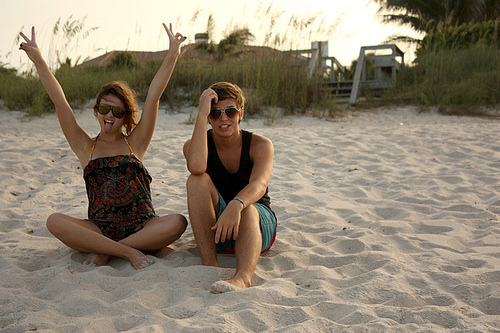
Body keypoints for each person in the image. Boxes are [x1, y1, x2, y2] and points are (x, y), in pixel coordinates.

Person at [19, 24, 188, 270]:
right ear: (96, 111)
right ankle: (126, 251)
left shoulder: (136, 142)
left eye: (117, 111)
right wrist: (39, 61)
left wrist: (173, 54)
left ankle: (107, 250)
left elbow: (153, 96)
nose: (109, 115)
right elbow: (60, 102)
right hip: (99, 227)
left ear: (125, 115)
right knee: (54, 221)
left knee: (177, 222)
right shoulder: (84, 146)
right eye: (104, 109)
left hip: (143, 225)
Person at [183, 82, 277, 293]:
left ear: (241, 114)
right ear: (208, 117)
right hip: (219, 231)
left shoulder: (260, 145)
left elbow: (259, 185)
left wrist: (237, 204)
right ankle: (210, 263)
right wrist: (200, 115)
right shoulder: (194, 145)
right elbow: (197, 167)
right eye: (215, 113)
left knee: (248, 209)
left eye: (230, 111)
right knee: (195, 180)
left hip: (257, 225)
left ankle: (243, 278)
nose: (223, 118)